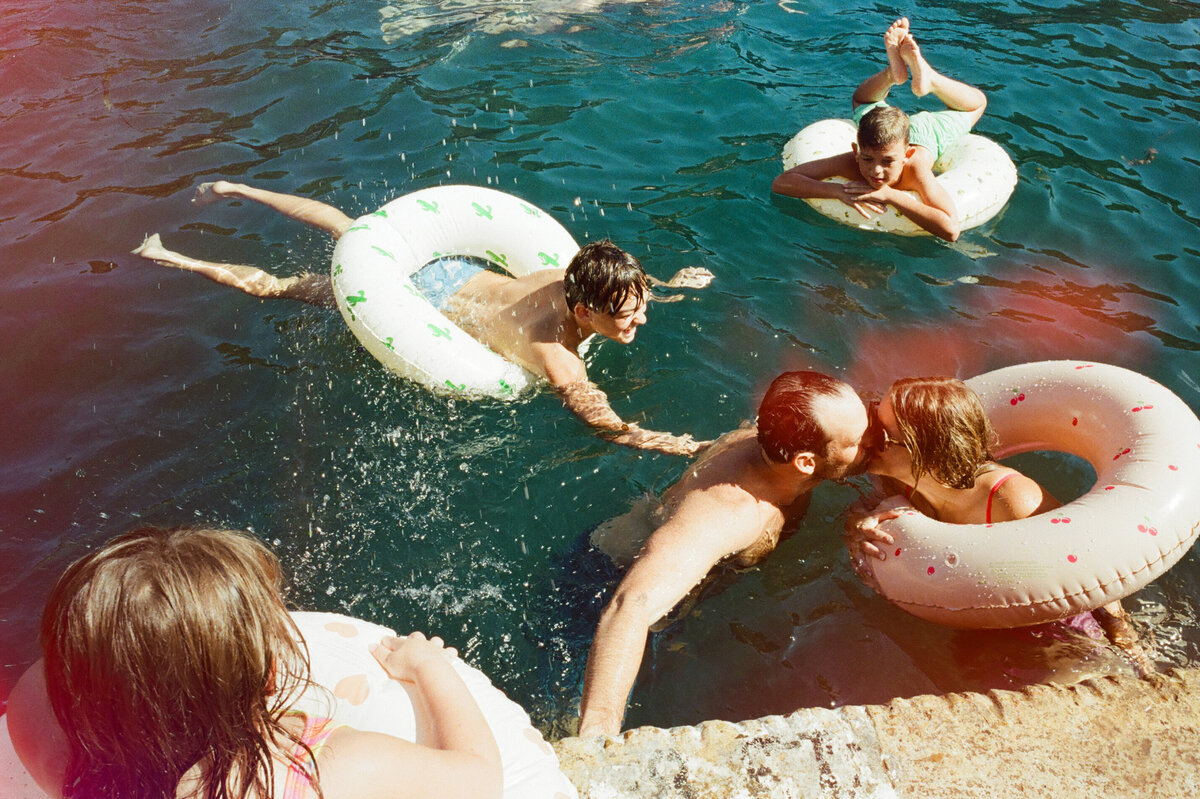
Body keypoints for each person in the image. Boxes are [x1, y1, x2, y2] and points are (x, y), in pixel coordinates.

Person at [133, 180, 714, 456]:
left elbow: (627, 285)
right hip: (418, 298)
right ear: (584, 311)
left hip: (455, 268)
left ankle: (234, 186)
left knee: (348, 227)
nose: (640, 321)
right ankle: (171, 254)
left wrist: (673, 286)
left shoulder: (571, 273)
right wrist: (669, 444)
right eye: (629, 318)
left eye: (642, 306)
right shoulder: (553, 352)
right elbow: (601, 418)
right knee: (283, 290)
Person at [5, 527, 503, 799]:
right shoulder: (319, 770)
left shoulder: (39, 716)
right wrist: (429, 665)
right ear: (265, 677)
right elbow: (478, 780)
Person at [577, 371, 875, 736]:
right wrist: (598, 735)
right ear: (807, 463)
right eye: (860, 441)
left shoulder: (763, 443)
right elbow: (630, 608)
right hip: (599, 590)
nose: (872, 442)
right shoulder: (728, 513)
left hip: (663, 580)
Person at [843, 376, 1154, 676]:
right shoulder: (892, 479)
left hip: (1050, 620)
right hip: (974, 611)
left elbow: (1088, 569)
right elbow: (860, 510)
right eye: (873, 417)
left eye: (883, 434)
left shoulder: (1012, 498)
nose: (869, 438)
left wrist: (1126, 642)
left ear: (928, 452)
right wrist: (859, 526)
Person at [771, 18, 987, 242]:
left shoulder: (914, 170)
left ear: (907, 156)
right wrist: (837, 192)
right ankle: (894, 73)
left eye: (887, 162)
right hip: (886, 126)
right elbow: (782, 182)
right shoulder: (853, 161)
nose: (876, 171)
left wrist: (890, 195)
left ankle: (930, 79)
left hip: (926, 135)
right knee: (861, 101)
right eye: (867, 159)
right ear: (856, 151)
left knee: (978, 104)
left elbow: (951, 230)